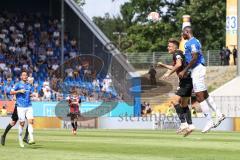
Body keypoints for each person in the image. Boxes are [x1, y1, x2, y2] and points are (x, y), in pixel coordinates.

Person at [179, 26, 225, 133]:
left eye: (183, 33)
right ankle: (219, 114)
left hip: (198, 69)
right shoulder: (194, 41)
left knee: (199, 96)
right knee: (205, 94)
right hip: (198, 69)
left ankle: (209, 121)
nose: (182, 35)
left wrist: (184, 70)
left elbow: (195, 57)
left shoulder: (192, 42)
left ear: (187, 32)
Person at [157, 38, 194, 136]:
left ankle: (183, 123)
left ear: (175, 47)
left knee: (174, 101)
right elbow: (176, 65)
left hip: (185, 82)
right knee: (184, 104)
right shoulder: (179, 53)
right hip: (188, 81)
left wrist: (168, 73)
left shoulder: (176, 54)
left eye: (169, 46)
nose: (167, 48)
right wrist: (164, 65)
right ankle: (190, 125)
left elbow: (178, 64)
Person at [10, 71, 35, 147]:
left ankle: (31, 138)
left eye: (26, 75)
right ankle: (20, 139)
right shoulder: (17, 84)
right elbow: (11, 92)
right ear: (21, 77)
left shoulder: (29, 85)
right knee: (22, 124)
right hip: (20, 107)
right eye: (23, 75)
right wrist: (19, 91)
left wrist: (32, 94)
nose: (25, 76)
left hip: (29, 106)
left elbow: (29, 93)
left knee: (31, 121)